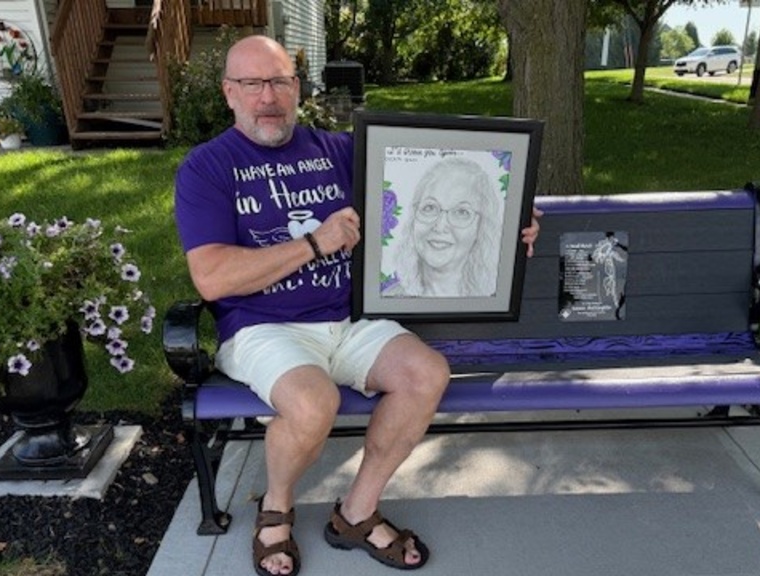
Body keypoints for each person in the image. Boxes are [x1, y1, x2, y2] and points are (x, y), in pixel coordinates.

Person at [173, 35, 540, 576]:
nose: (267, 97)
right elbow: (211, 277)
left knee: (425, 373)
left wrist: (513, 224)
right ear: (230, 93)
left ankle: (357, 512)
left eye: (278, 81)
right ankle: (275, 508)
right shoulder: (207, 168)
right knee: (312, 402)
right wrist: (313, 244)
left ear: (297, 88)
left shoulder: (343, 151)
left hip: (351, 319)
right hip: (263, 326)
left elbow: (435, 187)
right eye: (252, 84)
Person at [386, 156, 503, 297]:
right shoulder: (387, 300)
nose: (440, 226)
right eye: (429, 208)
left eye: (461, 212)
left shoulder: (494, 301)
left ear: (482, 227)